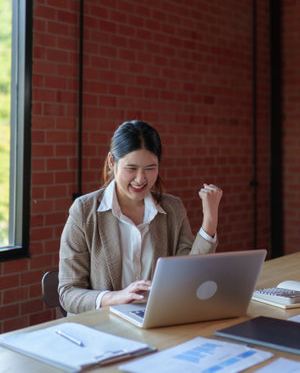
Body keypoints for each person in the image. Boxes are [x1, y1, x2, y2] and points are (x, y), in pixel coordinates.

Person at [58, 121, 223, 314]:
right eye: (132, 168)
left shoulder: (172, 209)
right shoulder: (84, 211)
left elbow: (189, 276)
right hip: (102, 327)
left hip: (157, 320)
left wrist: (210, 220)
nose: (140, 179)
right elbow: (67, 293)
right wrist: (114, 298)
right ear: (112, 162)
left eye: (150, 168)